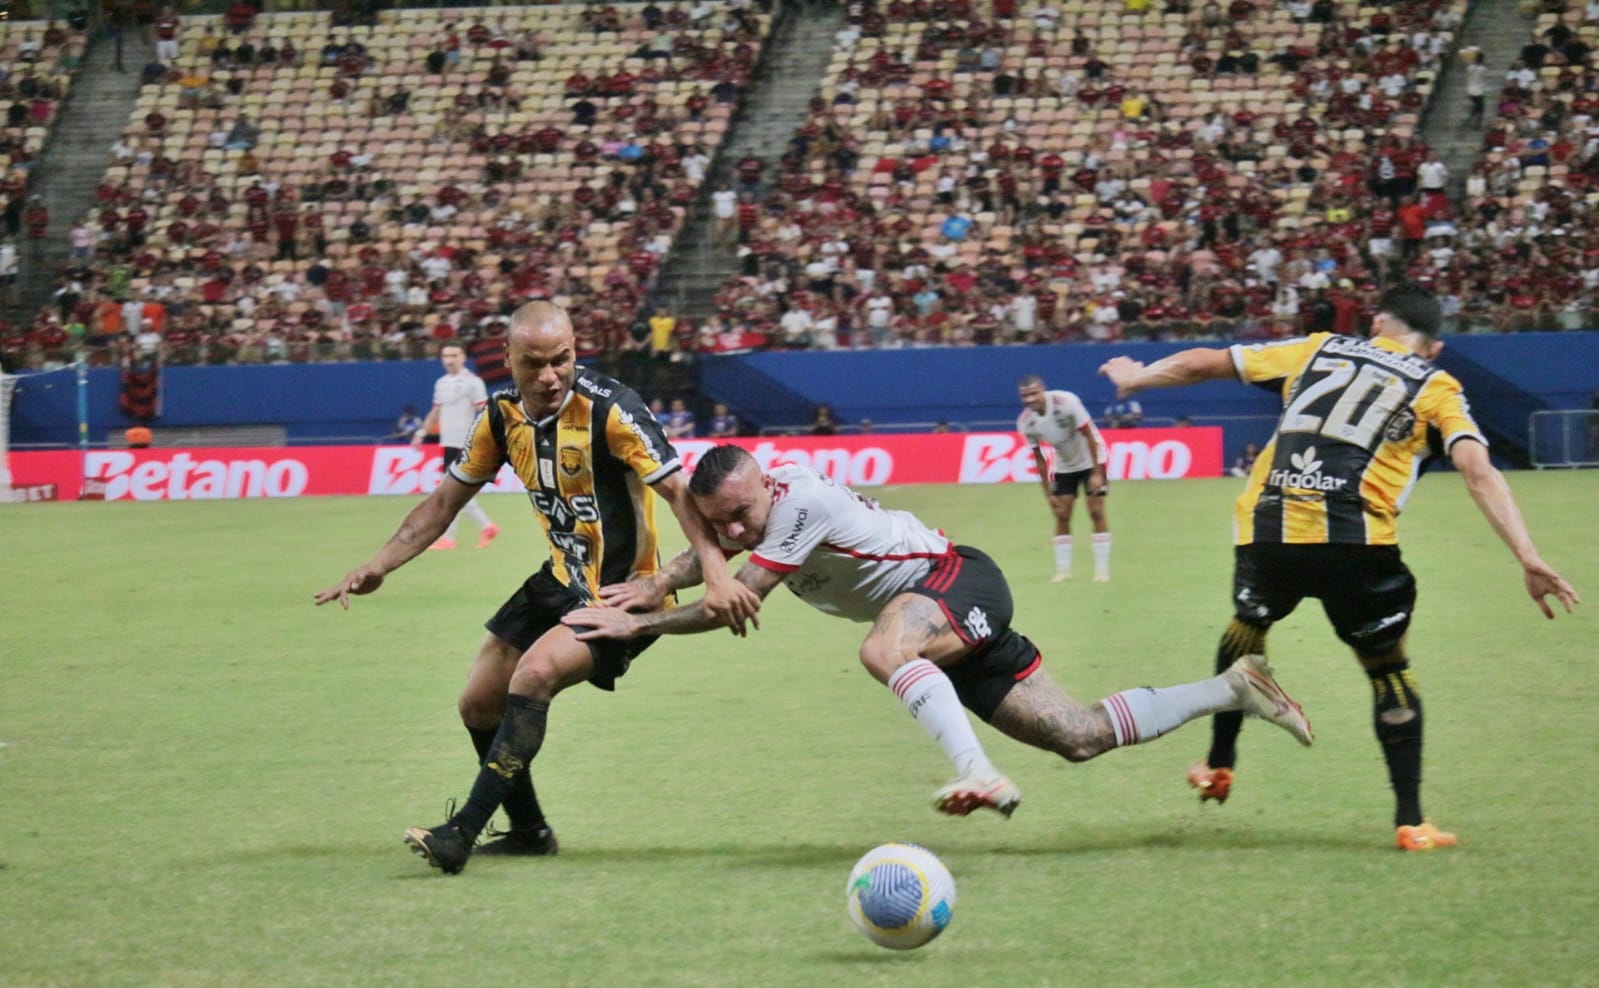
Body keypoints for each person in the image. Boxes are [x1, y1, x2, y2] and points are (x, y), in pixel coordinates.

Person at [563, 445, 1312, 820]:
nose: (730, 530)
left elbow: (735, 599)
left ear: (764, 484)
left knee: (881, 651)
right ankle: (1234, 687)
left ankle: (979, 773)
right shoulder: (756, 507)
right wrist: (659, 580)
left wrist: (635, 628)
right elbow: (712, 558)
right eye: (721, 520)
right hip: (932, 619)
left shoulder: (799, 505)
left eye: (740, 514)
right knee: (1078, 736)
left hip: (955, 581)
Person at [1099, 283, 1579, 851]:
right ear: (1435, 347)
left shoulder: (1319, 349)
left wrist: (1138, 378)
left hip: (1268, 529)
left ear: (1377, 322)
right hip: (1358, 546)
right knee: (1387, 671)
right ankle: (1412, 820)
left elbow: (1208, 362)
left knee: (1246, 633)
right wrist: (1527, 555)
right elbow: (1477, 469)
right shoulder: (1436, 385)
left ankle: (1219, 762)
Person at [314, 302, 761, 874]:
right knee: (478, 701)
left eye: (562, 360)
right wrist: (381, 564)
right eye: (534, 364)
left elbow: (679, 493)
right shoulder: (499, 417)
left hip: (622, 594)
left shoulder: (612, 409)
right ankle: (529, 831)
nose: (550, 376)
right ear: (507, 360)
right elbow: (444, 503)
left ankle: (461, 833)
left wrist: (714, 576)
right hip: (559, 577)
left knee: (535, 674)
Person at [1017, 376, 1111, 582]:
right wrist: (1048, 493)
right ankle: (1063, 571)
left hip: (1093, 458)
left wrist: (1096, 472)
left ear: (1043, 390)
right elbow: (1039, 458)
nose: (1030, 399)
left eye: (1034, 393)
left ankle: (1102, 570)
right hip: (1065, 464)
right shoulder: (1026, 422)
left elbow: (1089, 435)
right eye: (1025, 396)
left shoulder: (1066, 402)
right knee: (1062, 514)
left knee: (1096, 510)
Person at [412, 344, 500, 549]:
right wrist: (421, 432)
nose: (449, 359)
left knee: (450, 490)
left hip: (465, 443)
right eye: (445, 355)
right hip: (448, 443)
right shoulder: (441, 383)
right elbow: (436, 411)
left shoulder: (473, 382)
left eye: (454, 355)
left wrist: (485, 439)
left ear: (462, 357)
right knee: (453, 491)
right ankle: (484, 527)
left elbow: (484, 411)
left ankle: (450, 538)